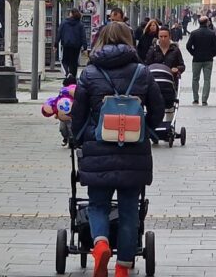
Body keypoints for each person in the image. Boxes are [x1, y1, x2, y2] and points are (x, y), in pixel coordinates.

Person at [69, 22, 165, 277]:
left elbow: (78, 112)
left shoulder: (89, 73)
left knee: (98, 204)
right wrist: (149, 128)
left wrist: (78, 137)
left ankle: (100, 243)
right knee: (128, 208)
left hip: (98, 145)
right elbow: (158, 110)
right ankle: (123, 266)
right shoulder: (142, 72)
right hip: (133, 149)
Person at [185, 17, 216, 106]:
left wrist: (193, 53)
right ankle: (204, 99)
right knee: (207, 79)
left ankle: (195, 98)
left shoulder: (194, 33)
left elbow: (188, 46)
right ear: (207, 22)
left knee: (195, 79)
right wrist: (212, 54)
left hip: (196, 59)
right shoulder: (211, 33)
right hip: (208, 59)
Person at [58, 9, 87, 84]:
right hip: (76, 46)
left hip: (66, 45)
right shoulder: (80, 24)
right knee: (74, 62)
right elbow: (83, 35)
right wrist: (85, 46)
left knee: (65, 61)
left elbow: (59, 33)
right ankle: (73, 78)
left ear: (71, 14)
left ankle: (67, 74)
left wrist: (56, 43)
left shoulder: (64, 23)